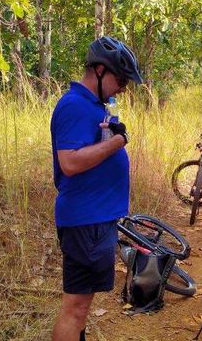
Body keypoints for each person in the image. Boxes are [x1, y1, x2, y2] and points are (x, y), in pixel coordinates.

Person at [50, 36, 143, 341]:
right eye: (121, 79)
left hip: (95, 219)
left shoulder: (94, 105)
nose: (123, 88)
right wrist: (118, 141)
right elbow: (71, 163)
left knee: (82, 305)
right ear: (100, 70)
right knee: (75, 307)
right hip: (85, 220)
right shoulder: (74, 105)